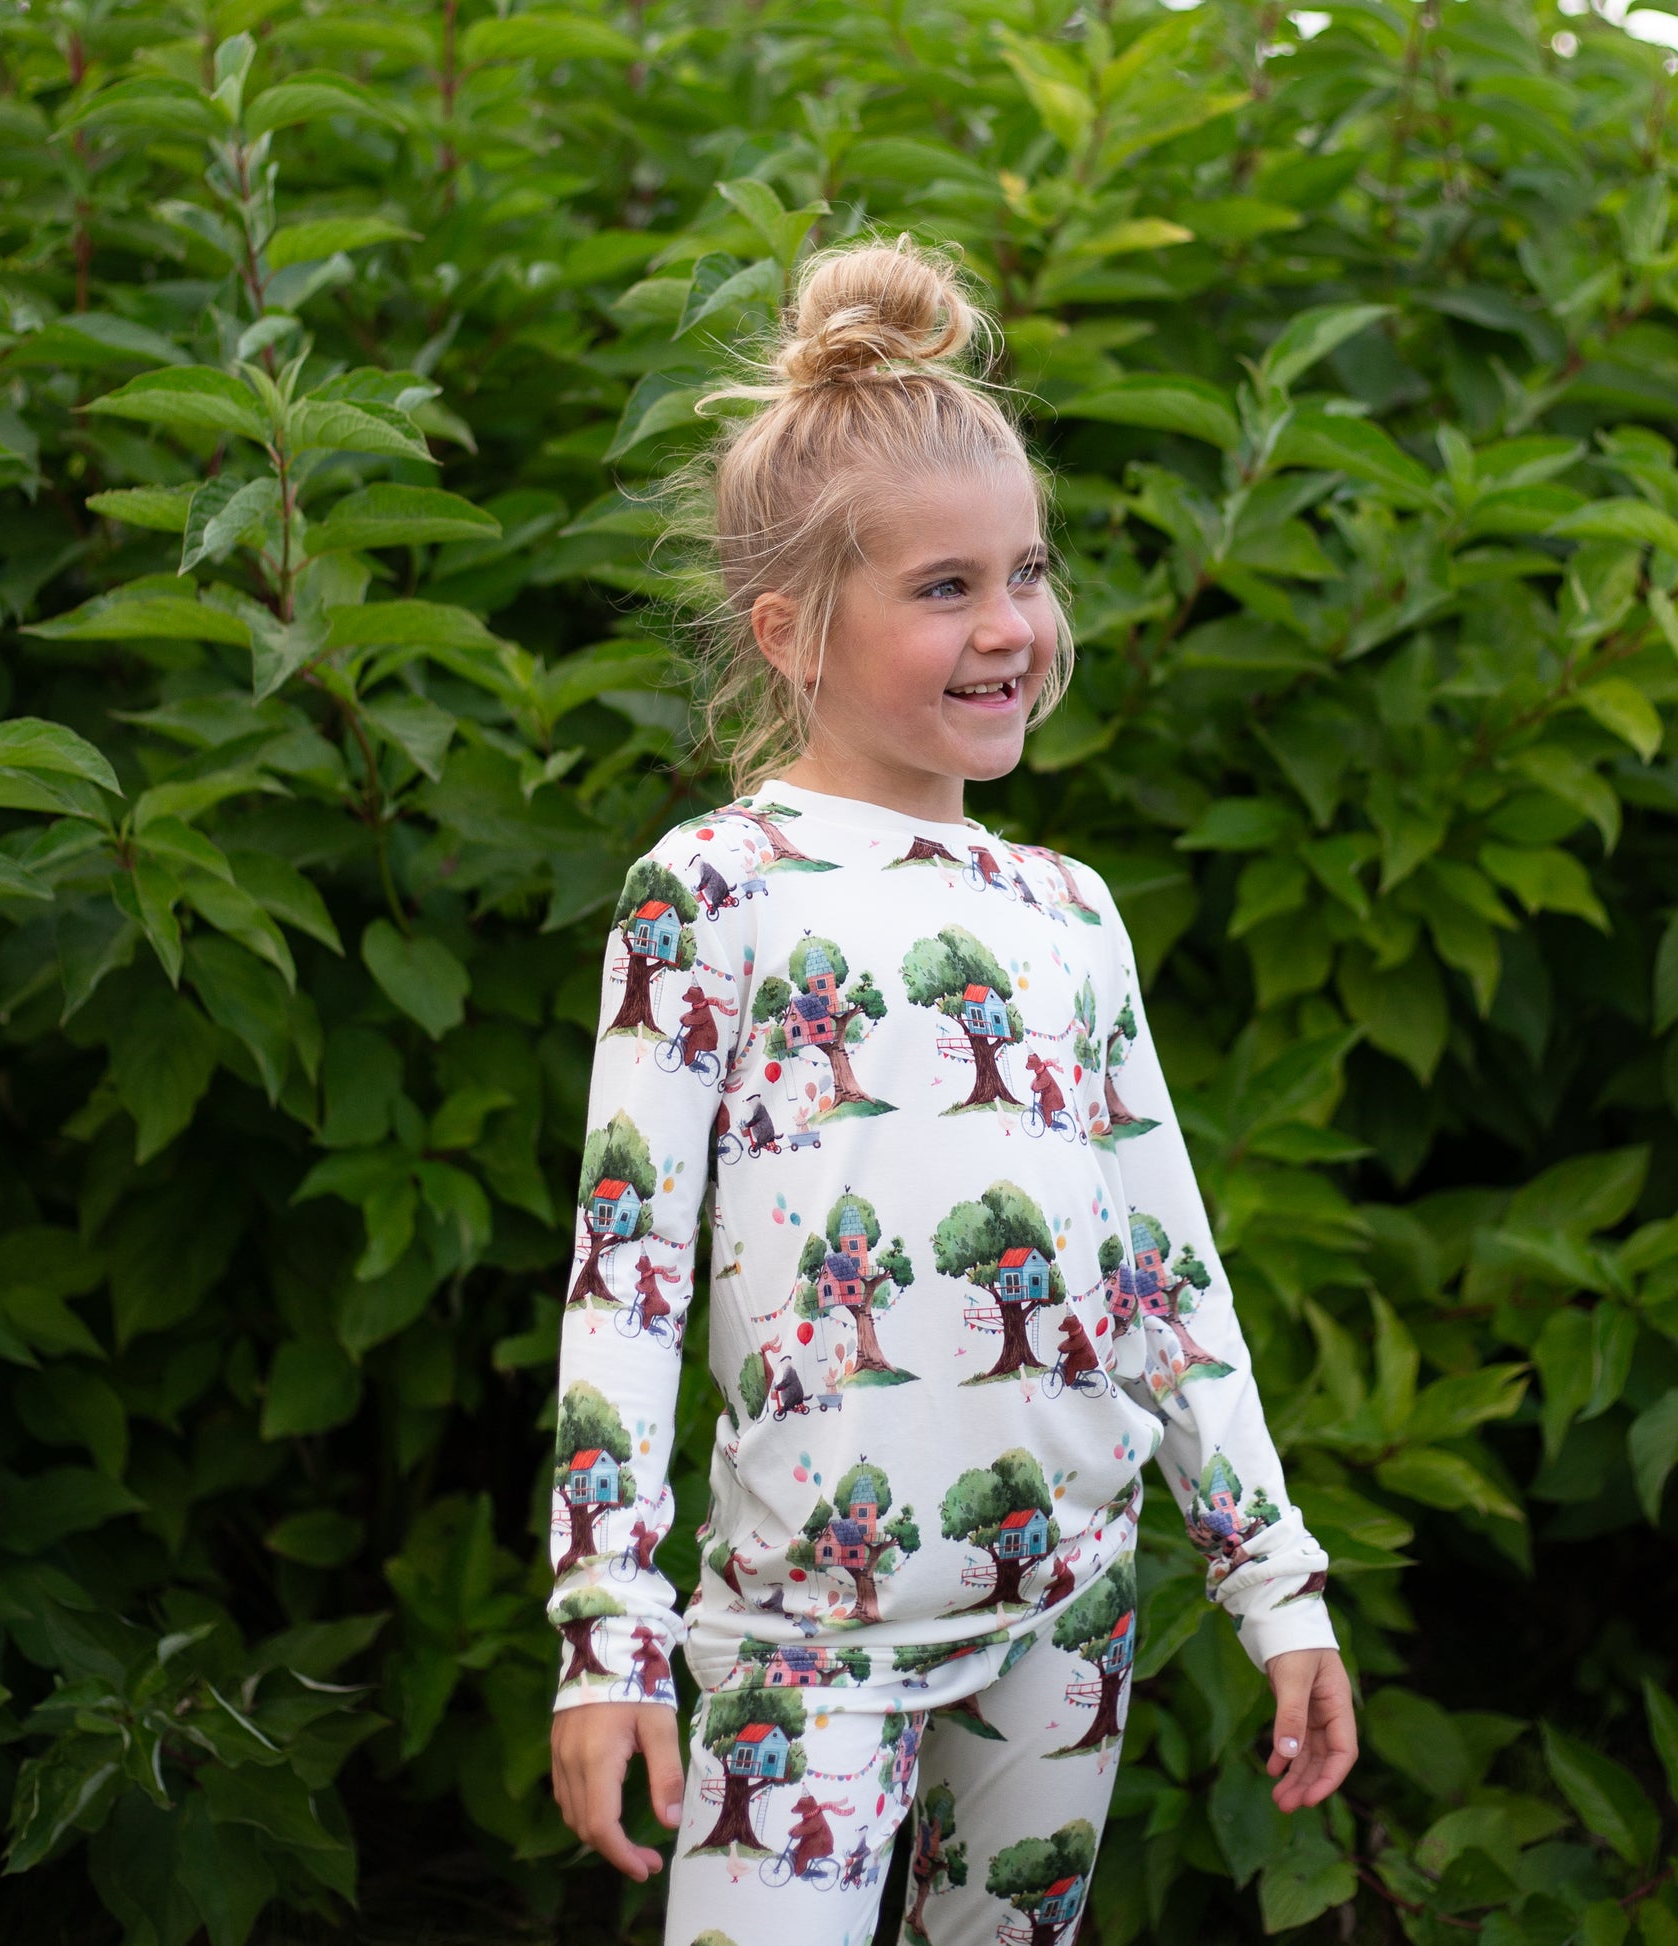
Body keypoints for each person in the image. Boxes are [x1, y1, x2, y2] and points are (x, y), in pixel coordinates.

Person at [547, 234, 1357, 1946]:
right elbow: (624, 1279)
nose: (1009, 627)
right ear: (788, 628)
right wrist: (606, 1623)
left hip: (1067, 1606)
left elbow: (1166, 1271)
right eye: (942, 588)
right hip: (801, 1637)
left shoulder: (1066, 910)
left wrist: (1273, 1580)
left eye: (1028, 572)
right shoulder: (712, 887)